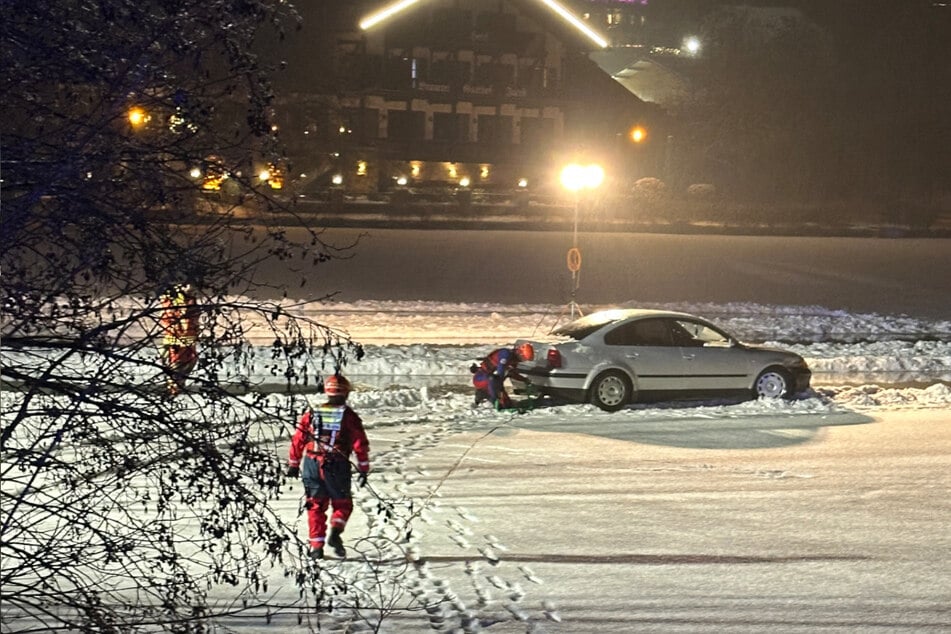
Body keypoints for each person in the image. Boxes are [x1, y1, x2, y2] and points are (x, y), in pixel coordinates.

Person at [286, 374, 370, 559]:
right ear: (346, 393)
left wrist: (293, 463)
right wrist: (363, 468)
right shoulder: (349, 416)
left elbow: (299, 438)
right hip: (336, 465)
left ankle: (316, 547)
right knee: (343, 504)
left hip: (311, 463)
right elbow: (359, 442)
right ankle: (336, 531)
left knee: (315, 506)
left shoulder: (312, 413)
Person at [160, 283, 199, 396]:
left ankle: (175, 387)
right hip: (177, 339)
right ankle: (174, 389)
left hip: (185, 338)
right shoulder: (172, 302)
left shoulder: (188, 300)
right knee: (178, 364)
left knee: (186, 362)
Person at [471, 342, 533, 409]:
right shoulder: (505, 354)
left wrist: (524, 380)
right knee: (493, 379)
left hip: (494, 384)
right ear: (519, 352)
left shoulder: (513, 362)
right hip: (481, 379)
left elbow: (512, 374)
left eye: (524, 359)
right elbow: (501, 369)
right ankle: (490, 398)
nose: (521, 360)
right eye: (522, 357)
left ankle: (489, 396)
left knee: (507, 405)